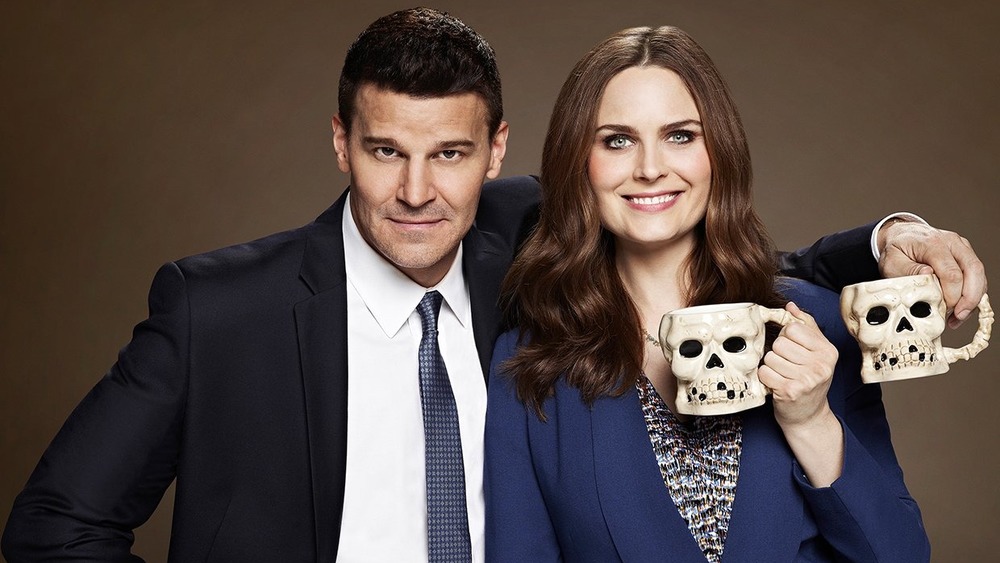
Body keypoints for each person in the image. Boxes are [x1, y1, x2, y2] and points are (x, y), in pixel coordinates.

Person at [0, 8, 982, 563]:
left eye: (452, 155)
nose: (418, 192)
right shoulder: (219, 310)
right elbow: (56, 527)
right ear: (340, 143)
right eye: (385, 151)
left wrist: (894, 236)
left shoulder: (527, 236)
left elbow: (738, 261)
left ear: (497, 153)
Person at [485, 26, 934, 562]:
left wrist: (813, 423)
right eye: (617, 140)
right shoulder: (529, 364)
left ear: (719, 150)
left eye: (680, 135)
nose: (650, 168)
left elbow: (901, 555)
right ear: (577, 161)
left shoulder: (815, 328)